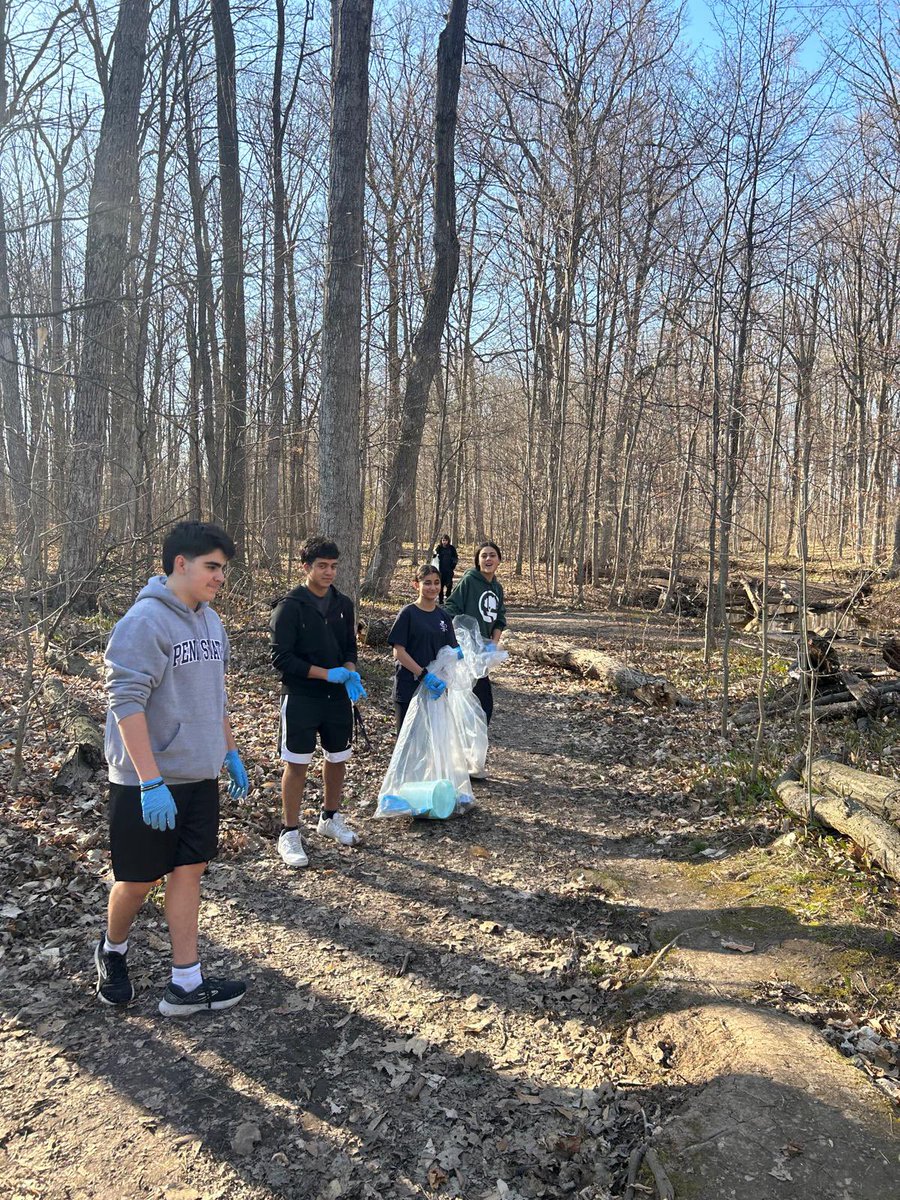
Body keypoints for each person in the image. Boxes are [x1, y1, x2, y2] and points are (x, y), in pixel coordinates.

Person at [97, 521, 250, 1016]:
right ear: (180, 564)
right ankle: (113, 949)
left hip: (199, 775)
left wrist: (229, 751)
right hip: (149, 782)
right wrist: (150, 780)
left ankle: (185, 983)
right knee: (139, 881)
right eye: (212, 567)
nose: (219, 578)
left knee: (189, 871)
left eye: (223, 569)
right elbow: (126, 703)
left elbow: (215, 696)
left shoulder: (211, 622)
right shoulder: (143, 623)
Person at [270, 535, 366, 868]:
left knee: (337, 757)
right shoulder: (290, 606)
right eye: (322, 566)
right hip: (301, 697)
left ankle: (330, 818)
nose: (329, 572)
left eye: (333, 566)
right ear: (306, 567)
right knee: (297, 763)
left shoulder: (343, 604)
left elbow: (349, 649)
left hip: (337, 698)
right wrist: (325, 674)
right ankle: (290, 832)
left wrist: (350, 672)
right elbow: (281, 658)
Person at [388, 563, 460, 733]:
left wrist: (459, 654)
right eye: (427, 583)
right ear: (416, 584)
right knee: (407, 744)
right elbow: (398, 651)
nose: (433, 587)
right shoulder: (408, 613)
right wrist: (423, 675)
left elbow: (450, 649)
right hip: (408, 688)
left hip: (435, 690)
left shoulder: (443, 616)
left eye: (436, 582)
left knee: (431, 746)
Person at [444, 540, 507, 726]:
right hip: (466, 652)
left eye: (492, 555)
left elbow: (500, 619)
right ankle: (462, 744)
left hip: (482, 653)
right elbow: (450, 608)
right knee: (472, 700)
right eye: (484, 555)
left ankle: (471, 744)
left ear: (499, 560)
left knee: (482, 704)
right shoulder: (470, 581)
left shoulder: (497, 587)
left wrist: (492, 645)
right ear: (477, 561)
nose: (488, 559)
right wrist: (460, 641)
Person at [432, 534, 458, 604]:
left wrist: (453, 565)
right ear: (441, 540)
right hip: (440, 570)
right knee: (441, 585)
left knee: (449, 584)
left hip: (449, 570)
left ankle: (448, 597)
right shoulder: (439, 548)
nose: (444, 542)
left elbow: (455, 557)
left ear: (448, 541)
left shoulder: (452, 548)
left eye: (446, 540)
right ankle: (440, 600)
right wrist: (434, 554)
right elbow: (434, 556)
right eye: (443, 540)